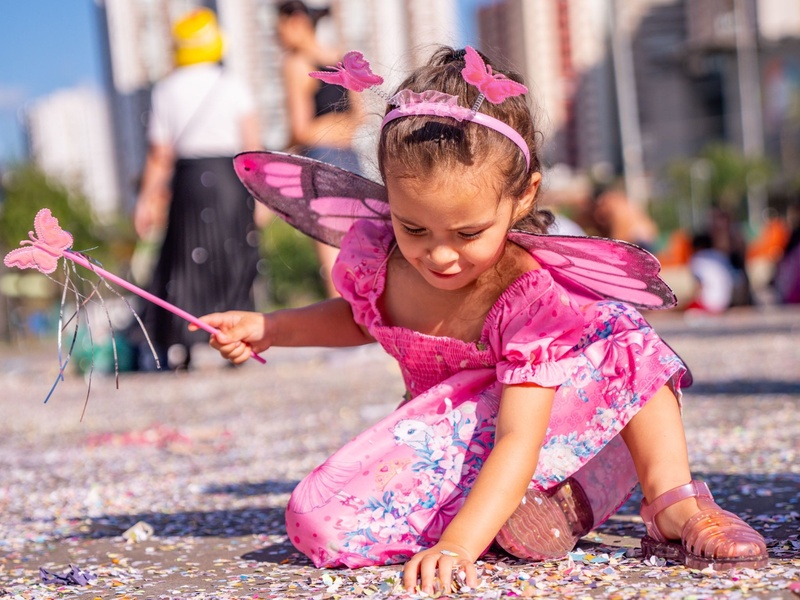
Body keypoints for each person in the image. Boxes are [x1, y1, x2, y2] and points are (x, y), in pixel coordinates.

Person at [195, 47, 767, 593]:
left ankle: (675, 505)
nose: (439, 256)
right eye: (413, 228)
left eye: (468, 233)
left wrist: (458, 546)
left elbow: (520, 437)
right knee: (315, 521)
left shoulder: (530, 296)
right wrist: (269, 328)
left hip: (538, 433)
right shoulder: (381, 260)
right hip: (457, 444)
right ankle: (527, 512)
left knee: (618, 332)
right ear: (389, 198)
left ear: (522, 198)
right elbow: (361, 318)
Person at [133, 8, 264, 370]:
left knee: (185, 259)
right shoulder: (232, 84)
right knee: (234, 254)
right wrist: (263, 197)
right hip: (230, 178)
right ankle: (236, 341)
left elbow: (160, 154)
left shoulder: (166, 89)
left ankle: (181, 346)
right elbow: (253, 145)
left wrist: (145, 201)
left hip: (189, 181)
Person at [276, 0, 365, 297]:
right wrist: (337, 127)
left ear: (296, 22)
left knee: (332, 256)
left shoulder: (295, 64)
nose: (276, 38)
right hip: (352, 160)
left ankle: (343, 334)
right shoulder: (343, 60)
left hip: (319, 162)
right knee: (361, 249)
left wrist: (284, 148)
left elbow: (301, 130)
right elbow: (357, 118)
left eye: (278, 29)